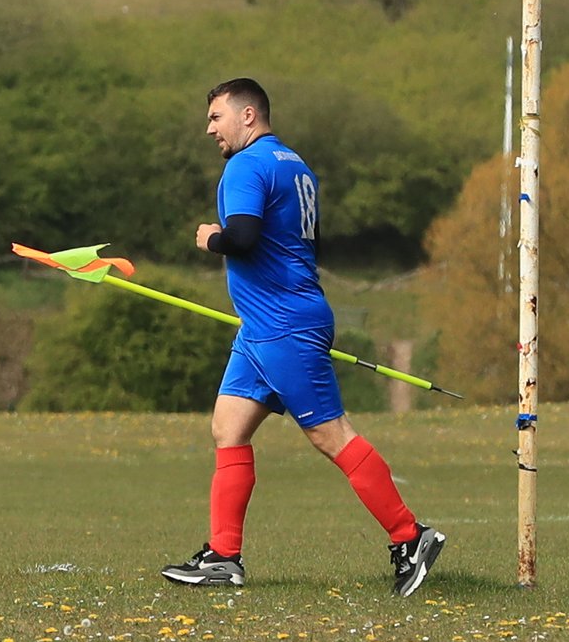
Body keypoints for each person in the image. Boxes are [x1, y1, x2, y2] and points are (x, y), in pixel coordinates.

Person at [164, 77, 445, 596]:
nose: (209, 129)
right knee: (228, 427)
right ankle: (224, 557)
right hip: (264, 327)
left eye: (216, 117)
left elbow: (244, 239)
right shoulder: (295, 163)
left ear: (248, 116)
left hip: (283, 324)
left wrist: (212, 240)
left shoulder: (245, 165)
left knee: (330, 434)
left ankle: (411, 537)